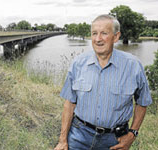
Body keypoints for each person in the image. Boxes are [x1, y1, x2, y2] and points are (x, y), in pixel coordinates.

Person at [54, 14, 152, 150]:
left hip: (115, 140)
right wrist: (62, 140)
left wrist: (133, 133)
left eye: (104, 33)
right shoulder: (78, 63)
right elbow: (69, 103)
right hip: (79, 136)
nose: (98, 39)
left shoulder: (133, 66)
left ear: (116, 37)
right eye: (94, 33)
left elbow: (143, 102)